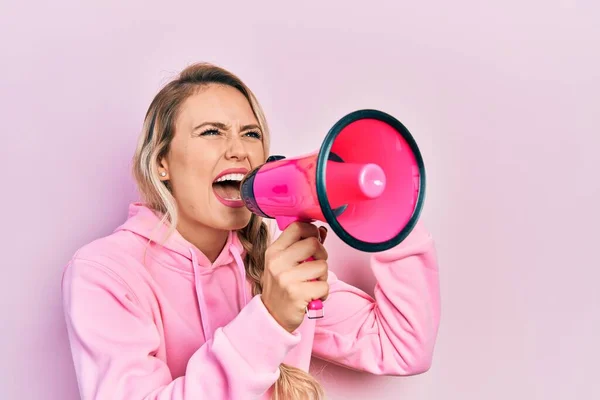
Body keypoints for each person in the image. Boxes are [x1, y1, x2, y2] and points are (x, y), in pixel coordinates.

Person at [61, 62, 441, 400]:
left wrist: (391, 216)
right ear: (162, 162)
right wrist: (270, 319)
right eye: (212, 132)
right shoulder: (106, 272)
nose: (239, 151)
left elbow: (403, 347)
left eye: (251, 134)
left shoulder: (274, 262)